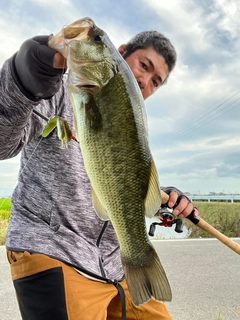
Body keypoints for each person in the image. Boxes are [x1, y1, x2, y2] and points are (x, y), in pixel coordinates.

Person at [0, 24, 198, 320]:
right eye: (144, 66)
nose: (145, 81)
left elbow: (119, 180)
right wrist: (19, 81)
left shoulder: (134, 123)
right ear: (119, 55)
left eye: (156, 81)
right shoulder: (53, 89)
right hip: (55, 250)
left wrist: (162, 197)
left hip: (117, 263)